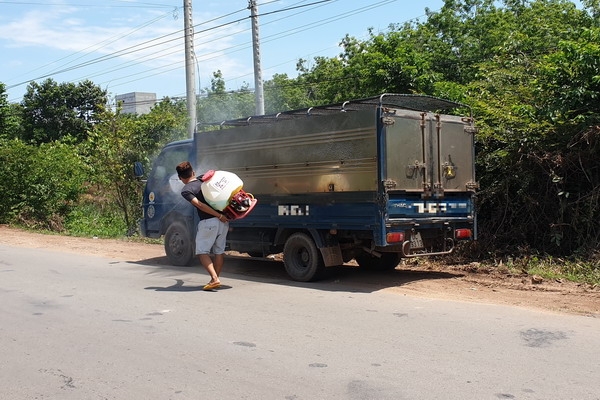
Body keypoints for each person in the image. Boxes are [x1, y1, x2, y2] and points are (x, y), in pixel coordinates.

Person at [176, 161, 229, 291]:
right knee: (219, 251)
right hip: (224, 222)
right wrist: (221, 216)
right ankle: (214, 279)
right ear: (193, 172)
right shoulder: (203, 180)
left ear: (180, 178)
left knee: (202, 252)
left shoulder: (186, 190)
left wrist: (217, 215)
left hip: (209, 222)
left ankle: (215, 279)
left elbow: (199, 205)